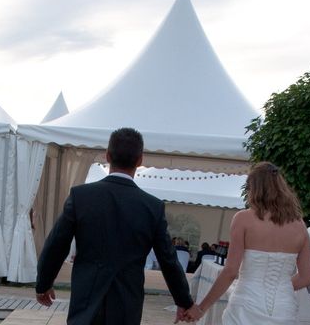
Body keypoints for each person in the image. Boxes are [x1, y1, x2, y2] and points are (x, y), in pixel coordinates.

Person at [36, 127, 197, 325]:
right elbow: (168, 260)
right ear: (140, 161)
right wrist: (184, 301)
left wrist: (43, 283)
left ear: (107, 156)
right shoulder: (152, 207)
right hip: (126, 305)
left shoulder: (81, 197)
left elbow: (56, 245)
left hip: (86, 302)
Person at [182, 162, 310, 324]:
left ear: (253, 188)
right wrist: (282, 288)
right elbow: (306, 277)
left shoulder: (243, 219)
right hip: (283, 309)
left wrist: (201, 308)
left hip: (245, 307)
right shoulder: (299, 225)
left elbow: (230, 271)